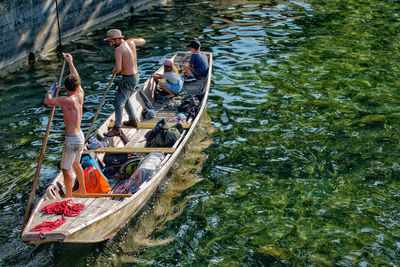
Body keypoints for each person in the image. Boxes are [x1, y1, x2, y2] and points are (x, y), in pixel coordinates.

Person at [44, 53, 87, 198]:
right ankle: (83, 190)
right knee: (76, 165)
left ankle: (68, 197)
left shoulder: (65, 100)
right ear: (76, 86)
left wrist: (51, 89)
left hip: (71, 139)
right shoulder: (80, 95)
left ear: (65, 88)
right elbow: (77, 79)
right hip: (80, 136)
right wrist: (71, 62)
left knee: (65, 169)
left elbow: (48, 101)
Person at [104, 29, 146, 137]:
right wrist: (134, 41)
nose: (111, 44)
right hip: (135, 77)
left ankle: (116, 128)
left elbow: (118, 68)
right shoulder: (130, 42)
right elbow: (143, 41)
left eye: (111, 41)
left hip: (128, 79)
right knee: (125, 99)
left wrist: (114, 70)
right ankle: (132, 120)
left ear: (117, 39)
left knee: (118, 103)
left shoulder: (118, 49)